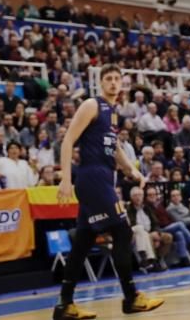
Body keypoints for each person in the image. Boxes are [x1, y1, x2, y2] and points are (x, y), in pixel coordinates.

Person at [52, 64, 163, 320]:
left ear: (122, 84)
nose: (113, 83)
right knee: (122, 230)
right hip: (92, 179)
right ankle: (131, 297)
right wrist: (66, 179)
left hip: (102, 177)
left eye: (117, 79)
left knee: (83, 241)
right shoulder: (92, 104)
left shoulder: (113, 114)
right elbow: (68, 139)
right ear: (101, 83)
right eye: (109, 79)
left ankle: (64, 305)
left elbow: (114, 149)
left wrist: (131, 170)